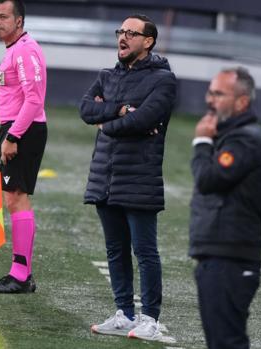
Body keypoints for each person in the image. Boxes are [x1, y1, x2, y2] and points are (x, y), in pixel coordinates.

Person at [79, 14, 176, 341]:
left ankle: (149, 318)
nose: (123, 37)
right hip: (105, 175)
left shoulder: (163, 80)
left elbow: (145, 119)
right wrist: (120, 110)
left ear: (147, 42)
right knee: (115, 249)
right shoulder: (106, 75)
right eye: (121, 31)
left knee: (145, 251)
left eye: (131, 34)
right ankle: (124, 313)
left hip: (140, 177)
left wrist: (106, 122)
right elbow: (84, 110)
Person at [189, 67, 261, 349]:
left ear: (242, 102)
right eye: (210, 92)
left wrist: (201, 142)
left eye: (219, 94)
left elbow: (208, 179)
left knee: (227, 342)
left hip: (230, 257)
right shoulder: (230, 135)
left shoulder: (244, 138)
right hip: (218, 253)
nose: (210, 100)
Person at [0, 0, 47, 293]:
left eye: (4, 16)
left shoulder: (24, 50)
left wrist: (13, 137)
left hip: (22, 131)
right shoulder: (14, 49)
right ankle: (22, 273)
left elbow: (34, 99)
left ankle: (21, 275)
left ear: (18, 21)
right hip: (15, 128)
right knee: (12, 198)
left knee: (16, 198)